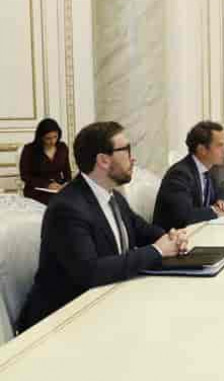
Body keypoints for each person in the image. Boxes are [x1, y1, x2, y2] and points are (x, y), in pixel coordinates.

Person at [17, 122, 188, 332]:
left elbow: (144, 231)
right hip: (61, 322)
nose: (133, 159)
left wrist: (172, 237)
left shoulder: (113, 196)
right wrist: (157, 250)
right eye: (127, 150)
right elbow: (91, 272)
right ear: (103, 160)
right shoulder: (67, 208)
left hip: (103, 305)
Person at [153, 121, 224, 231]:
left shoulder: (206, 169)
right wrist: (215, 210)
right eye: (220, 145)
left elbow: (219, 191)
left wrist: (221, 200)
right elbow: (183, 216)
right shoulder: (180, 174)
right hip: (174, 236)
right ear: (202, 150)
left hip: (197, 231)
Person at [19, 118, 72, 205]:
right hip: (36, 189)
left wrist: (66, 184)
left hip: (58, 187)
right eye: (48, 138)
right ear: (41, 137)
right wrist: (47, 185)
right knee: (56, 203)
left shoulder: (62, 147)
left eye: (55, 137)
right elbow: (25, 176)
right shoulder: (29, 149)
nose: (52, 141)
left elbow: (67, 172)